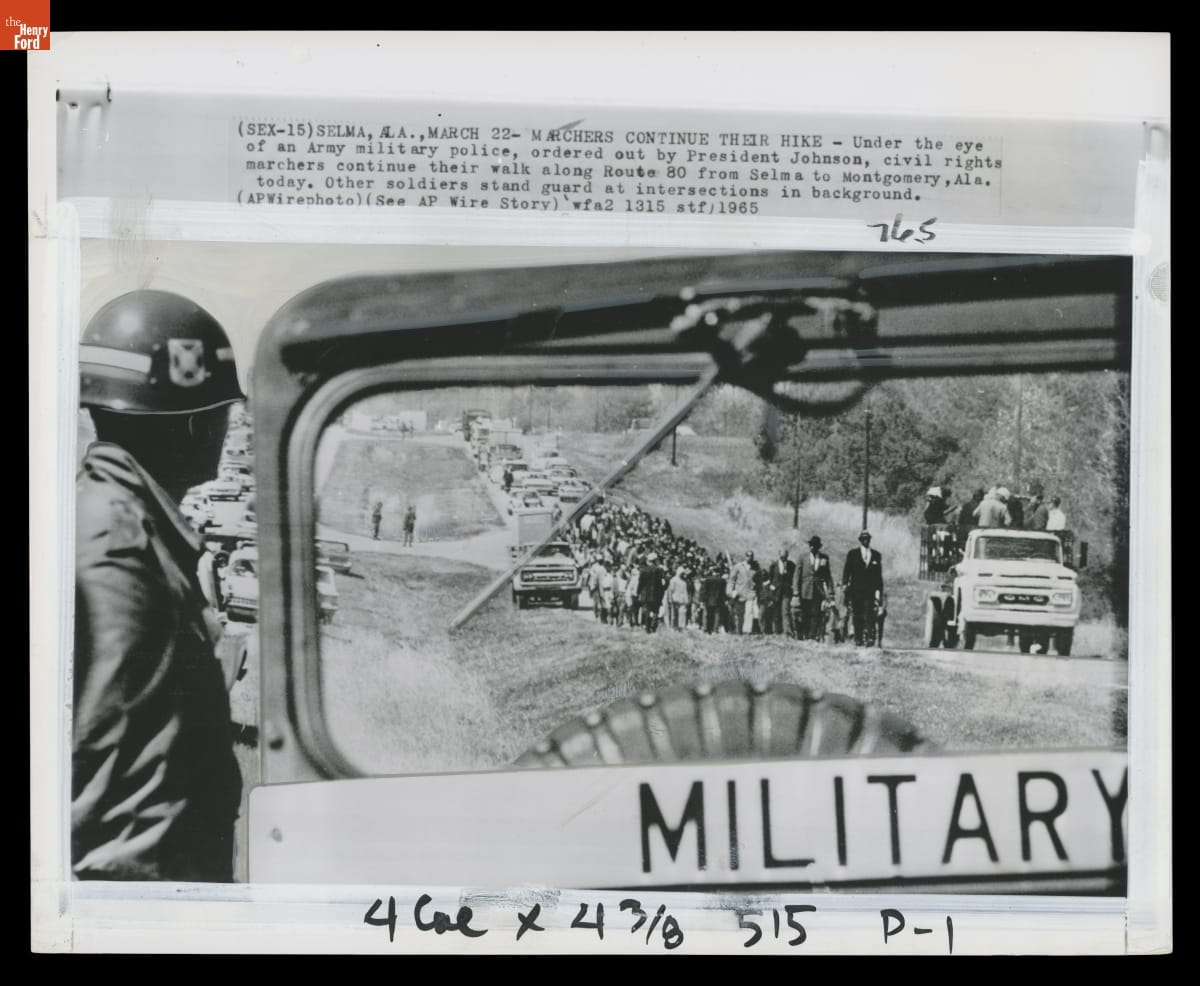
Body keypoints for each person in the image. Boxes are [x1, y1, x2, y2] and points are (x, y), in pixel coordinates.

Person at [74, 290, 243, 881]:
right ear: (197, 421)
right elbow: (113, 791)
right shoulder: (118, 545)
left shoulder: (118, 523)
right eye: (223, 408)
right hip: (141, 901)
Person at [842, 530, 884, 647]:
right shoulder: (853, 554)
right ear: (860, 540)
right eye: (863, 539)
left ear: (870, 540)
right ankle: (858, 638)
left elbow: (878, 576)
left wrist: (878, 591)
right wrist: (845, 584)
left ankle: (869, 637)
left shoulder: (876, 555)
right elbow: (847, 571)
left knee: (870, 614)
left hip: (870, 591)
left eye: (868, 539)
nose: (866, 541)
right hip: (856, 591)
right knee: (857, 614)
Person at [795, 535, 834, 640]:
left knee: (815, 613)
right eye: (811, 545)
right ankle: (805, 634)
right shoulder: (802, 557)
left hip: (818, 591)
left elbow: (828, 576)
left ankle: (811, 637)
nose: (812, 547)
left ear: (818, 547)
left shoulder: (824, 558)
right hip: (805, 590)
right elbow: (797, 575)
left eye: (814, 545)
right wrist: (796, 590)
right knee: (805, 613)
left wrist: (830, 591)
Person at [728, 551, 755, 635]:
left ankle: (747, 631)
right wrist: (730, 591)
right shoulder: (738, 567)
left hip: (750, 593)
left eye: (751, 556)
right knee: (739, 614)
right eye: (748, 556)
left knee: (749, 612)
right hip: (739, 593)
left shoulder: (755, 567)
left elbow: (758, 580)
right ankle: (738, 630)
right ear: (745, 556)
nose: (749, 558)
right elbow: (732, 579)